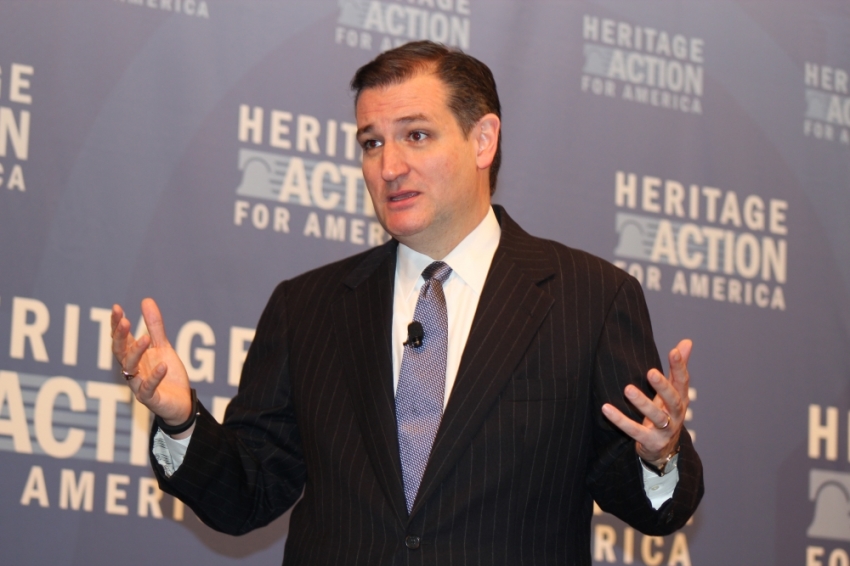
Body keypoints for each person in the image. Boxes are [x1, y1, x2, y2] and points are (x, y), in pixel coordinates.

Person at [112, 41, 702, 565]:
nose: (389, 166)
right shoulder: (308, 308)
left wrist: (661, 455)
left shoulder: (588, 298)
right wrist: (180, 418)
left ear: (483, 140)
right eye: (372, 143)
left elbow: (655, 512)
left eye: (416, 135)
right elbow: (248, 493)